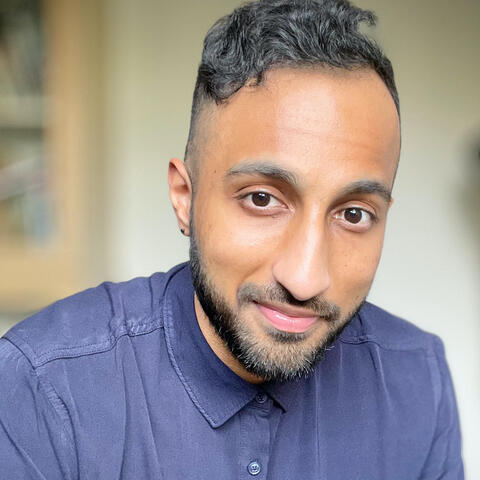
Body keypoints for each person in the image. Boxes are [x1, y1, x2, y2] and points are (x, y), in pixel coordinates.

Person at [0, 0, 463, 478]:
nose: (305, 279)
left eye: (353, 214)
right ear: (185, 197)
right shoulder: (45, 386)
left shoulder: (416, 382)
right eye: (262, 199)